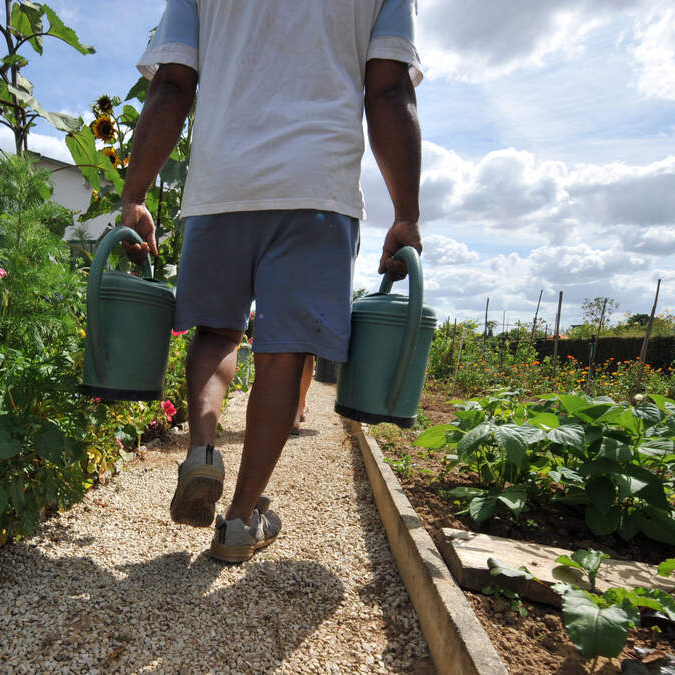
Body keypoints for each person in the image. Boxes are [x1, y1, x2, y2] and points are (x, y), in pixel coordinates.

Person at [121, 0, 424, 562]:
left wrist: (135, 193)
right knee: (285, 354)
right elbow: (388, 92)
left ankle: (203, 450)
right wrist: (406, 213)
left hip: (222, 184)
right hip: (318, 188)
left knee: (216, 332)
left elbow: (172, 85)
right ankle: (239, 521)